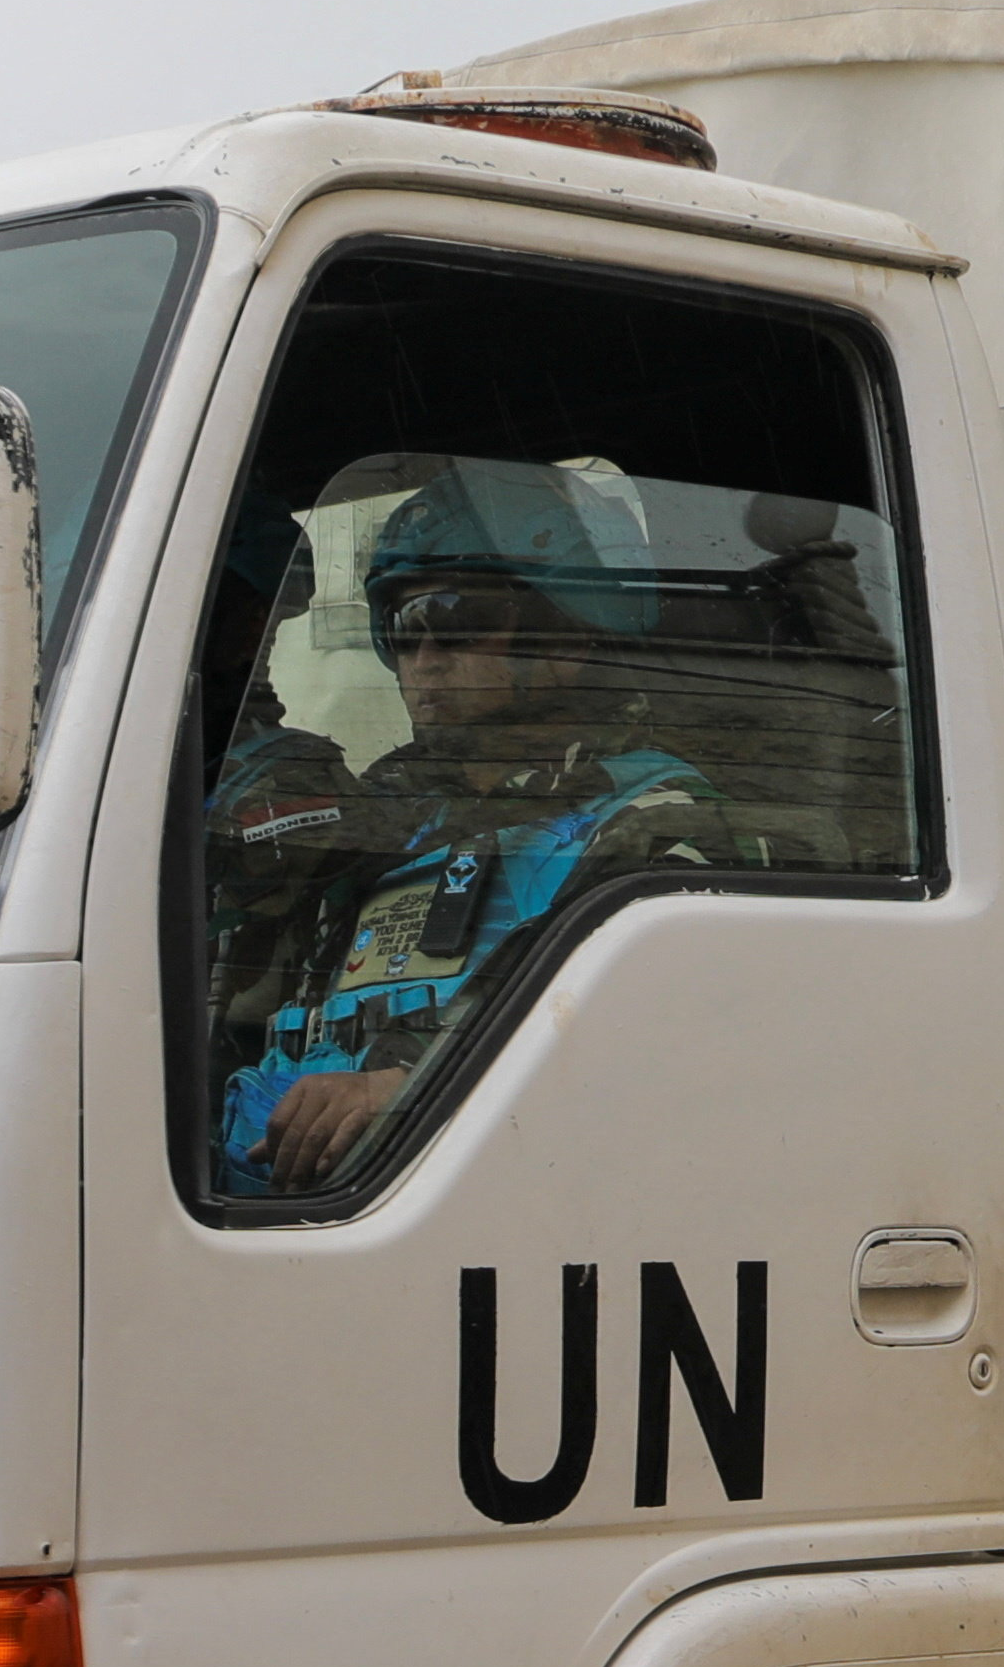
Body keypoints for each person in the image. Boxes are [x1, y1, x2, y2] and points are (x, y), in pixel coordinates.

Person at [208, 454, 734, 1197]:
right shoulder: (385, 825)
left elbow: (667, 1077)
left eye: (453, 621)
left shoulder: (654, 827)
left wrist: (407, 1093)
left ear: (568, 635)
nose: (423, 661)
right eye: (401, 629)